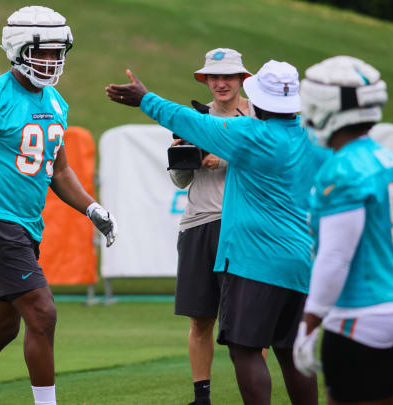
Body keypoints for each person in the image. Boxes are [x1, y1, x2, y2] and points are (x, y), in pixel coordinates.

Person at [0, 6, 117, 405]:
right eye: (41, 52)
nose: (50, 61)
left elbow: (60, 172)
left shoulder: (56, 102)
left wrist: (92, 208)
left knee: (0, 329)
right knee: (43, 314)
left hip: (26, 226)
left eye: (56, 52)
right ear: (17, 49)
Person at [106, 60, 328, 405]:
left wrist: (145, 98)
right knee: (291, 351)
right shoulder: (312, 139)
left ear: (259, 100)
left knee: (245, 348)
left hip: (254, 261)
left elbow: (190, 121)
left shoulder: (250, 134)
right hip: (301, 262)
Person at [292, 56, 393, 405]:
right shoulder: (388, 159)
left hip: (362, 312)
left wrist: (309, 322)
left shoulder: (343, 169)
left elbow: (335, 256)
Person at [169, 48, 253, 405]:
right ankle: (201, 398)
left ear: (241, 79)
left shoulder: (260, 116)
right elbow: (179, 181)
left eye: (228, 76)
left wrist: (228, 157)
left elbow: (276, 164)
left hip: (246, 227)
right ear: (205, 80)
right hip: (199, 224)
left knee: (250, 324)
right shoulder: (194, 118)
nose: (221, 83)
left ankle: (254, 397)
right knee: (200, 319)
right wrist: (182, 152)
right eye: (214, 77)